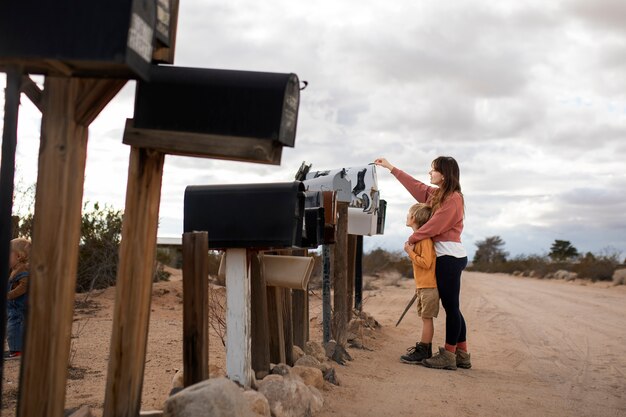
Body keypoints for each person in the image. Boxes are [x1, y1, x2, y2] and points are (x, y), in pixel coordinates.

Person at [375, 156, 470, 370]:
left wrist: (412, 239)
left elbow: (435, 225)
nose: (430, 173)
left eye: (433, 170)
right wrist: (391, 168)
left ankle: (449, 355)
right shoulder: (437, 195)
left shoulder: (454, 198)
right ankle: (462, 354)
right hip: (446, 256)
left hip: (450, 257)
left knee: (451, 307)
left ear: (444, 174)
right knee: (452, 306)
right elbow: (415, 186)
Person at [400, 203, 439, 365]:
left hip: (429, 286)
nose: (406, 216)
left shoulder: (424, 240)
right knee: (425, 318)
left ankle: (424, 350)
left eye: (408, 214)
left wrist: (410, 253)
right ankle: (425, 350)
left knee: (426, 318)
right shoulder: (419, 239)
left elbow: (427, 263)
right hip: (423, 286)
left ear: (414, 217)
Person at [5, 237, 31, 360]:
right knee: (12, 327)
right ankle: (15, 349)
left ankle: (17, 351)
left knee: (15, 326)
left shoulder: (23, 270)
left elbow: (24, 286)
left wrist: (10, 295)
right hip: (13, 307)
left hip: (18, 307)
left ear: (19, 256)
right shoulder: (14, 270)